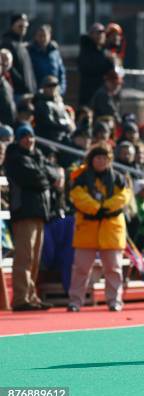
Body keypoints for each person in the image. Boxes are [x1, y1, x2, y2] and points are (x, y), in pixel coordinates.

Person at [67, 143, 131, 312]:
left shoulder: (118, 178)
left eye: (104, 157)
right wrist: (96, 207)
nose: (101, 161)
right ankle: (75, 301)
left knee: (113, 269)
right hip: (87, 228)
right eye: (98, 157)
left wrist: (106, 207)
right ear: (91, 159)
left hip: (111, 229)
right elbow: (77, 196)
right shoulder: (80, 177)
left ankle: (114, 301)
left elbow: (124, 196)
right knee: (81, 268)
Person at [5, 124, 61, 311]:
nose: (29, 140)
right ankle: (21, 298)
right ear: (18, 139)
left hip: (39, 212)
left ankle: (31, 296)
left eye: (31, 136)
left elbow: (51, 172)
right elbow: (35, 178)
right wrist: (48, 179)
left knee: (36, 257)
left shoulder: (37, 156)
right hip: (24, 212)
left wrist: (47, 176)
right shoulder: (15, 158)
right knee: (24, 256)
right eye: (24, 136)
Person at [77, 23, 115, 106]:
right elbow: (88, 68)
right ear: (91, 34)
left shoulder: (104, 50)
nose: (101, 35)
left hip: (102, 92)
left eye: (102, 33)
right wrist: (108, 63)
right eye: (98, 32)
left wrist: (112, 62)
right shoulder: (86, 49)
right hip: (89, 93)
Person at [1, 14, 36, 97]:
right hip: (16, 94)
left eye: (25, 26)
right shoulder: (7, 43)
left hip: (27, 93)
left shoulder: (22, 45)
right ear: (12, 26)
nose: (23, 29)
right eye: (20, 26)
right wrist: (22, 86)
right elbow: (8, 68)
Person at [28, 24, 66, 95]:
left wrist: (61, 90)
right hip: (38, 94)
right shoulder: (30, 53)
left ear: (49, 36)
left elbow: (61, 74)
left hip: (55, 93)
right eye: (40, 36)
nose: (42, 39)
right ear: (35, 37)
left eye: (44, 36)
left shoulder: (55, 52)